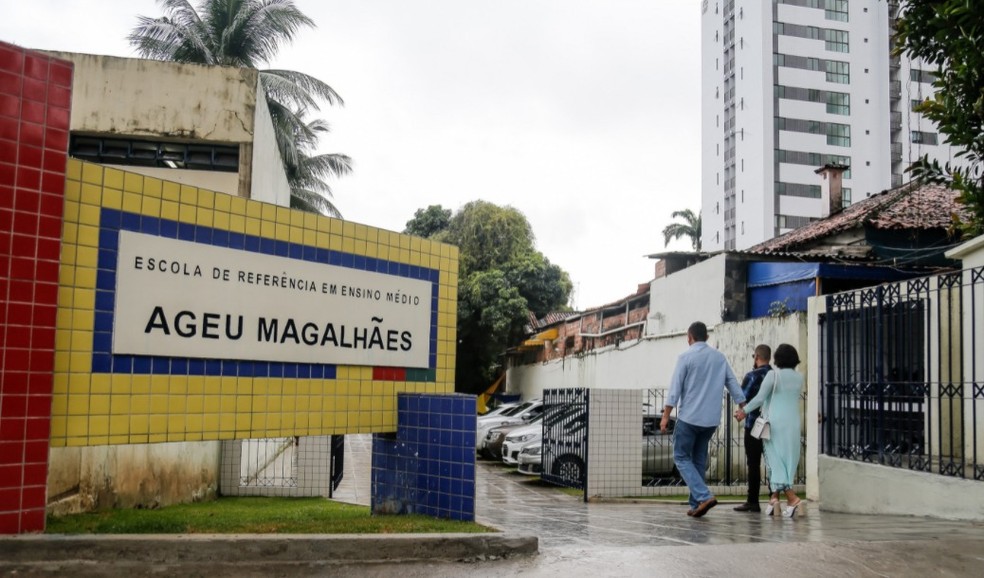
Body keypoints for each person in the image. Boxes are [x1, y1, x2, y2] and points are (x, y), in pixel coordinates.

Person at [661, 321, 745, 518]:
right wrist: (742, 405)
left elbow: (675, 389)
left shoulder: (685, 357)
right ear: (706, 337)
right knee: (698, 460)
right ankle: (697, 503)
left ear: (689, 337)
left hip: (689, 418)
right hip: (710, 421)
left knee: (681, 457)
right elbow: (732, 382)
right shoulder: (719, 358)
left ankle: (704, 496)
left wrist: (666, 415)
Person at [736, 343, 804, 518]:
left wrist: (744, 411)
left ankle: (792, 498)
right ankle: (774, 499)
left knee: (774, 461)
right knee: (786, 461)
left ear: (778, 359)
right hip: (793, 424)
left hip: (774, 425)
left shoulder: (773, 375)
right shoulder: (799, 377)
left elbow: (759, 398)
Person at [734, 344, 772, 513]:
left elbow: (743, 396)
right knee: (772, 462)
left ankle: (753, 501)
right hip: (772, 423)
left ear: (756, 357)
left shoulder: (752, 376)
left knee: (754, 464)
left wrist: (742, 411)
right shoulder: (774, 375)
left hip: (754, 424)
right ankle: (774, 497)